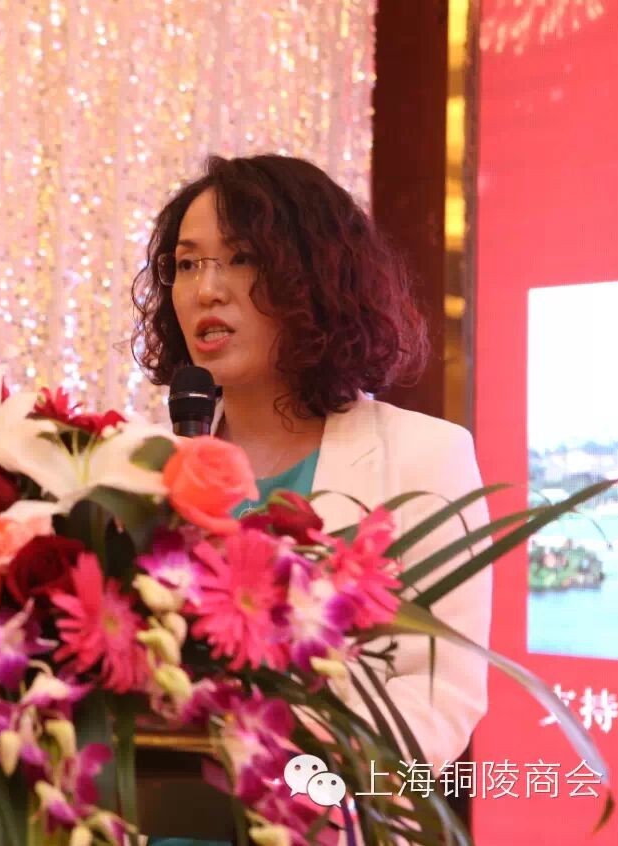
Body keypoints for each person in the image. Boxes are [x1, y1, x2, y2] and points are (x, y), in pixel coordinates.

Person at [130, 154, 492, 845]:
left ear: (315, 277)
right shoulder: (139, 464)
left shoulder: (423, 455)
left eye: (240, 259)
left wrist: (296, 798)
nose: (207, 290)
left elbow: (440, 696)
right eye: (187, 264)